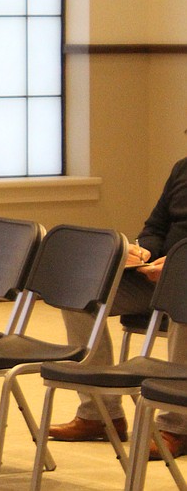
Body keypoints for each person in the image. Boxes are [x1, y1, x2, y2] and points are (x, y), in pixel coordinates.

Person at [48, 156, 187, 459]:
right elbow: (156, 226)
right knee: (81, 293)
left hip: (182, 278)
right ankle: (99, 413)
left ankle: (178, 425)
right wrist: (143, 249)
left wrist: (179, 265)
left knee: (183, 294)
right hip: (157, 274)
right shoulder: (181, 168)